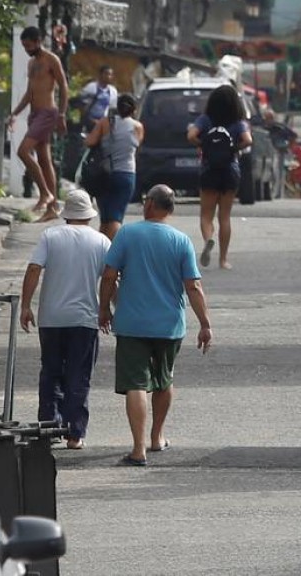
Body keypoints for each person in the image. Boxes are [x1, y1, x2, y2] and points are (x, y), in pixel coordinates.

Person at [98, 184, 212, 467]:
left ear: (149, 204)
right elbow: (193, 286)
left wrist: (103, 309)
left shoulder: (127, 234)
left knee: (136, 383)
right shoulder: (181, 240)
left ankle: (138, 450)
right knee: (164, 380)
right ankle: (156, 437)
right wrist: (205, 323)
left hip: (131, 323)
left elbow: (109, 275)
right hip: (168, 324)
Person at [19, 189, 112, 450]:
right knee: (79, 376)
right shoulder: (102, 241)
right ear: (89, 215)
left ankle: (49, 427)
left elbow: (34, 268)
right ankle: (75, 433)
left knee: (50, 372)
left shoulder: (50, 236)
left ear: (66, 215)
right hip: (85, 319)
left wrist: (26, 306)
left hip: (51, 318)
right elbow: (109, 278)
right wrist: (107, 309)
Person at [188, 84, 252, 270]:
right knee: (225, 216)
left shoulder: (205, 119)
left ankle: (209, 239)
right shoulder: (238, 122)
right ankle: (223, 260)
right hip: (230, 170)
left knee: (206, 215)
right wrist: (233, 149)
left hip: (209, 170)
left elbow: (191, 135)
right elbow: (248, 140)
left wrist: (204, 146)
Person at [11, 26, 70, 221]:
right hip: (35, 114)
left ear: (38, 41)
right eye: (24, 46)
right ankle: (52, 208)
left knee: (22, 151)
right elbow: (29, 93)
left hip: (47, 113)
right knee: (44, 160)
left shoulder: (51, 59)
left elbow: (63, 86)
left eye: (29, 45)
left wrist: (61, 114)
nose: (27, 49)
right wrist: (15, 113)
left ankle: (45, 193)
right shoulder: (31, 63)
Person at [84, 93, 144, 239]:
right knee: (115, 217)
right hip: (126, 174)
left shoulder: (105, 123)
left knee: (105, 218)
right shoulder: (138, 127)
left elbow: (89, 142)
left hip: (104, 174)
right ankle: (110, 254)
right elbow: (137, 145)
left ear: (117, 107)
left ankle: (103, 252)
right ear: (134, 110)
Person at [77, 65, 118, 131]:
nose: (108, 76)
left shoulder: (113, 91)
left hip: (102, 122)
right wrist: (89, 119)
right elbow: (81, 104)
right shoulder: (91, 87)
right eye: (106, 74)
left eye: (110, 75)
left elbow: (112, 109)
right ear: (100, 74)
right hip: (89, 121)